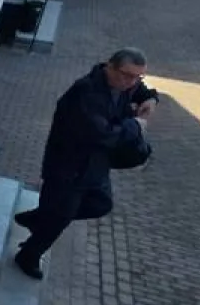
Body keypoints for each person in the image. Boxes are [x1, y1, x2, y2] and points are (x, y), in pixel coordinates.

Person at [13, 49, 159, 279]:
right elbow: (103, 134)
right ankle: (28, 255)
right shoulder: (85, 93)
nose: (131, 83)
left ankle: (40, 216)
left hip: (95, 166)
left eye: (137, 78)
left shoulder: (123, 85)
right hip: (68, 167)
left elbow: (141, 91)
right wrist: (136, 125)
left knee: (100, 204)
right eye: (126, 75)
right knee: (60, 216)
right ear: (109, 66)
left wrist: (150, 98)